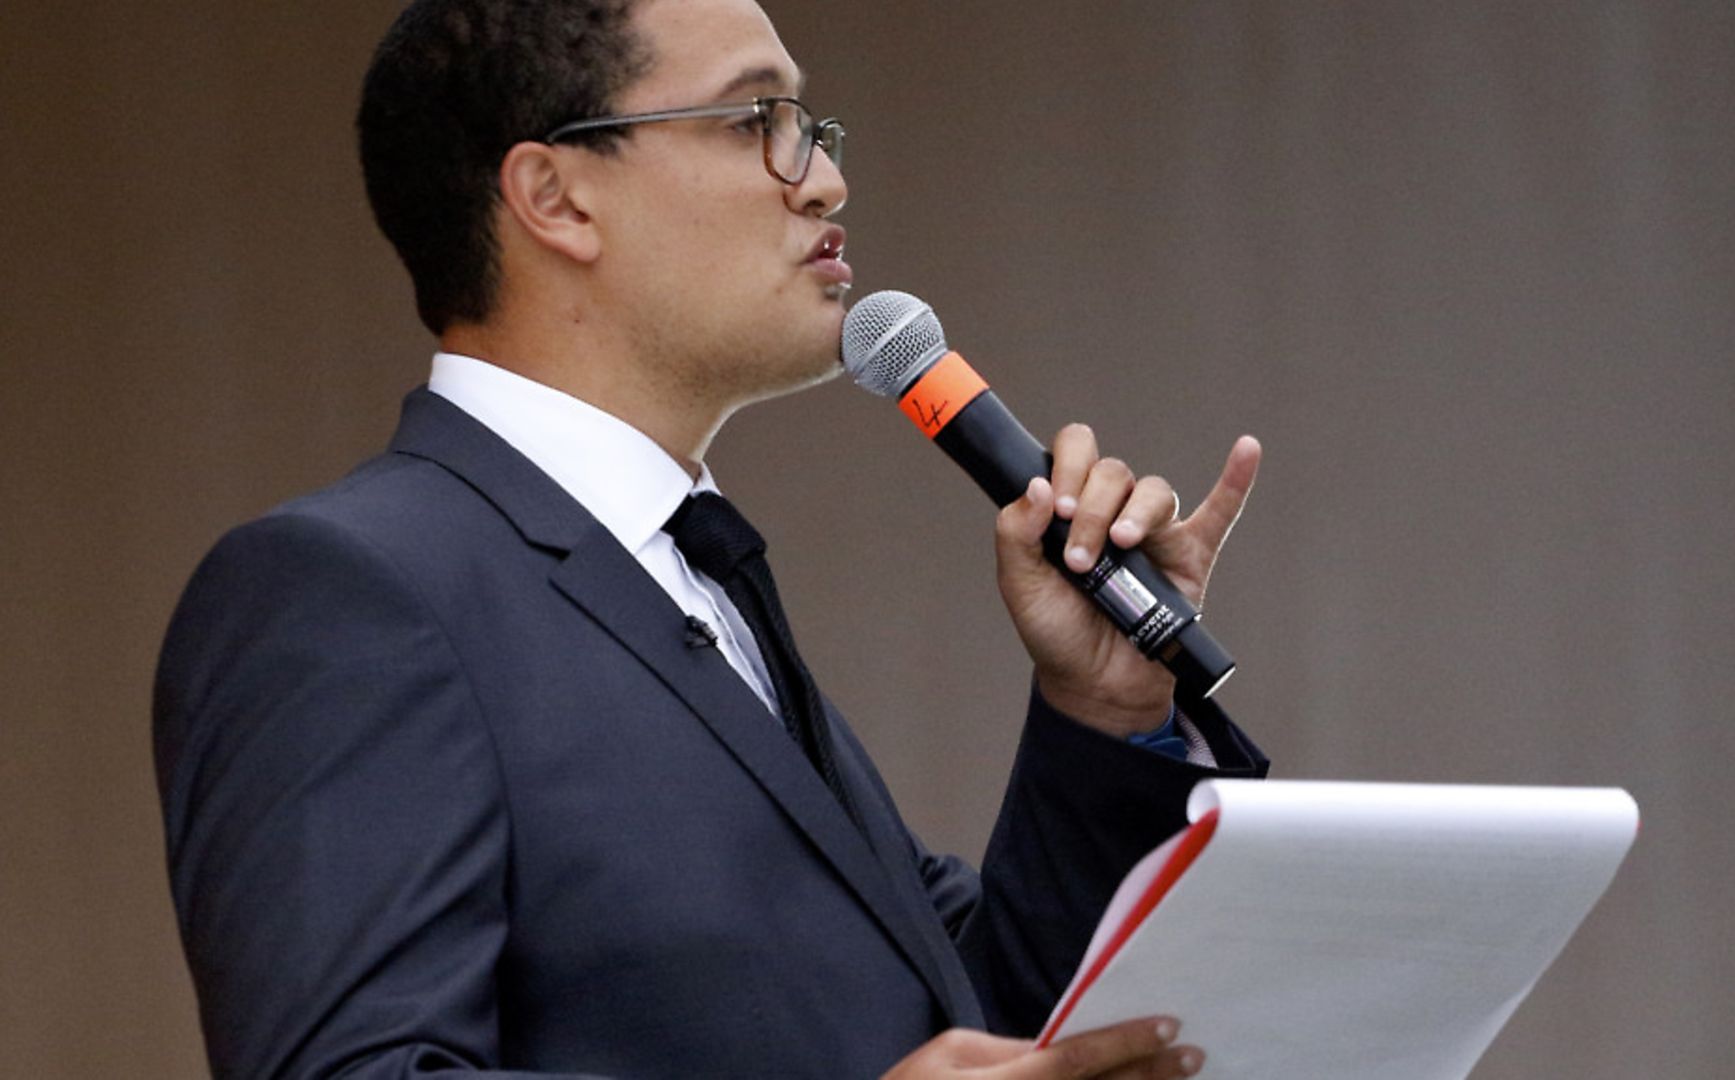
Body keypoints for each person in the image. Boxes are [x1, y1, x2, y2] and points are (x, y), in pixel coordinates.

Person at [152, 0, 1268, 1076]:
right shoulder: (346, 592)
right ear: (557, 197)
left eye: (810, 129)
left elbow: (986, 1026)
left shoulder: (693, 573)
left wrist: (1106, 711)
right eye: (754, 123)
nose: (824, 178)